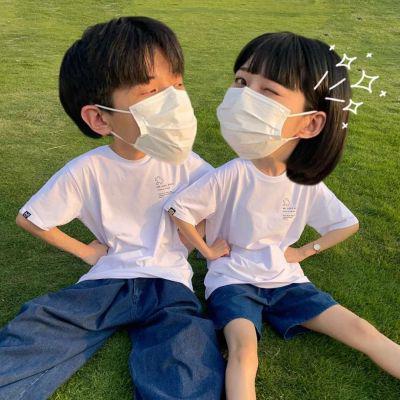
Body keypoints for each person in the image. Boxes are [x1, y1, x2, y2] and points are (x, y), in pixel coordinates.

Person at [166, 32, 400, 400]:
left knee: (362, 330)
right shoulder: (232, 173)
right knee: (244, 352)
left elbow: (347, 224)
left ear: (311, 124)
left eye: (268, 90)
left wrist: (305, 251)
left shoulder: (306, 183)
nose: (244, 97)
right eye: (242, 81)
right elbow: (178, 209)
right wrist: (208, 251)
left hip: (287, 279)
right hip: (232, 280)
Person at [0, 16, 224, 400]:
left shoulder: (189, 165)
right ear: (100, 118)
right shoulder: (87, 170)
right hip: (107, 277)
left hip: (170, 281)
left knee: (187, 354)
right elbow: (31, 218)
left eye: (177, 86)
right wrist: (87, 252)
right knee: (38, 329)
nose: (174, 103)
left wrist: (195, 241)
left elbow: (217, 208)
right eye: (151, 92)